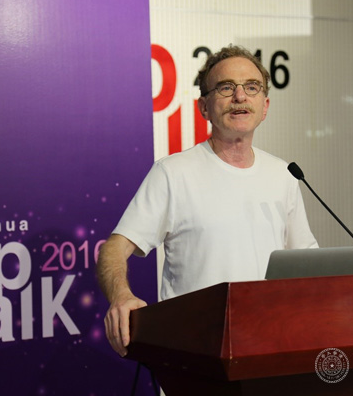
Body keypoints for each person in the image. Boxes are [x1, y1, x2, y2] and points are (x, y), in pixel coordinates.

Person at [97, 45, 318, 357]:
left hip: (269, 348)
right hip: (194, 354)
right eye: (226, 88)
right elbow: (113, 249)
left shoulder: (284, 174)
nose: (240, 96)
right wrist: (121, 296)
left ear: (265, 105)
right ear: (204, 107)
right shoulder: (173, 173)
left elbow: (307, 264)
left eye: (251, 87)